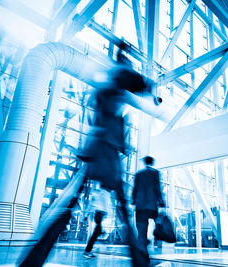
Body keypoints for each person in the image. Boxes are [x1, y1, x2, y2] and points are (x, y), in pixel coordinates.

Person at [19, 42, 150, 267]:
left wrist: (123, 55)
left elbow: (131, 87)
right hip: (106, 153)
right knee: (121, 207)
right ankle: (139, 260)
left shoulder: (106, 86)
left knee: (72, 201)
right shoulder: (116, 83)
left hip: (97, 150)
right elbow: (141, 84)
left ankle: (34, 258)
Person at [132, 156, 165, 263]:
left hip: (140, 207)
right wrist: (161, 202)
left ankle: (143, 256)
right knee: (159, 224)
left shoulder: (138, 174)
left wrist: (133, 201)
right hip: (152, 206)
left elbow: (135, 188)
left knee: (142, 232)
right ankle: (156, 238)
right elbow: (157, 188)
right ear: (152, 163)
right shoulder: (155, 173)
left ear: (145, 162)